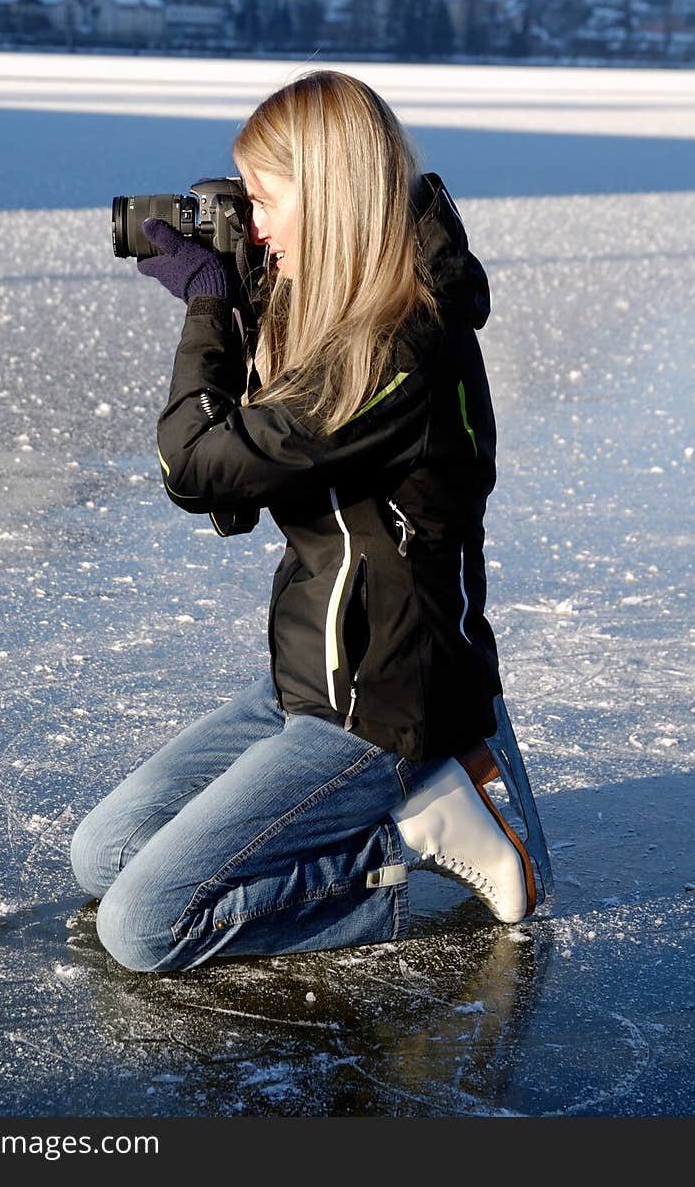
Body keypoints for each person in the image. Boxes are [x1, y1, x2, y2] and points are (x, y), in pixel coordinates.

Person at [69, 69, 552, 973]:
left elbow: (196, 465)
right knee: (105, 851)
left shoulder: (397, 346)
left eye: (262, 200)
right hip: (309, 677)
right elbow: (236, 500)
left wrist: (209, 307)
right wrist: (248, 302)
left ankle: (412, 836)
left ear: (328, 196)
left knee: (143, 927)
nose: (248, 225)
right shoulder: (342, 311)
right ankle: (418, 798)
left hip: (383, 702)